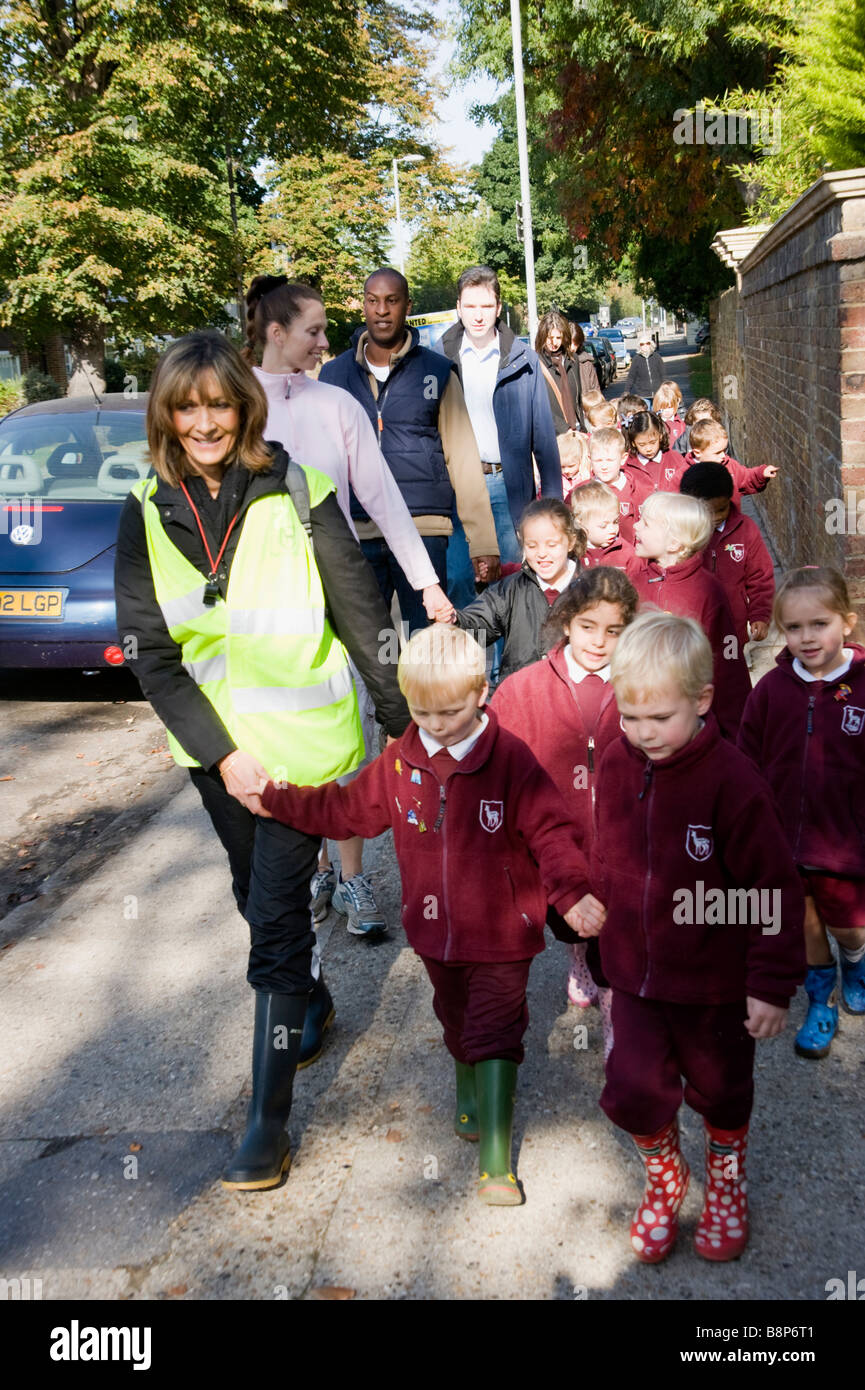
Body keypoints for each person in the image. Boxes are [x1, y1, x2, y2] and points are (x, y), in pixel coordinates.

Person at [114, 330, 411, 1191]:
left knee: (276, 920)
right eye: (187, 405)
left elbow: (361, 618)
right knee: (256, 901)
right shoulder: (143, 507)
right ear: (166, 414)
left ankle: (265, 1126)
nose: (204, 421)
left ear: (243, 405)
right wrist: (223, 755)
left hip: (305, 758)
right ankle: (311, 1002)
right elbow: (150, 653)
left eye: (219, 403)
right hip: (215, 757)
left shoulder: (299, 489)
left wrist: (413, 732)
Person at [246, 624, 604, 1205]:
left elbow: (552, 831)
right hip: (434, 933)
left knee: (495, 1030)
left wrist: (571, 891)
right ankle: (468, 1097)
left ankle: (495, 1160)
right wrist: (278, 798)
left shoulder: (510, 758)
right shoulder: (397, 763)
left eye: (451, 710)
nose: (436, 724)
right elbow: (343, 811)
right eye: (422, 711)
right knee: (456, 1019)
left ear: (482, 691)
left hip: (503, 931)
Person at [244, 273, 455, 940]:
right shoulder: (235, 403)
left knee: (361, 723)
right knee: (289, 736)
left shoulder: (337, 404)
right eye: (312, 330)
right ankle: (309, 868)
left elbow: (385, 499)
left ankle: (353, 871)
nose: (326, 341)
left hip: (339, 581)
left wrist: (425, 583)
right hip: (265, 595)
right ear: (275, 332)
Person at [591, 612, 805, 1262]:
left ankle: (725, 1182)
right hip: (634, 977)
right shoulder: (618, 764)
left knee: (721, 1090)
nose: (642, 733)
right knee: (629, 1087)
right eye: (630, 717)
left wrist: (768, 985)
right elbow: (607, 856)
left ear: (702, 701)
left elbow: (773, 887)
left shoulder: (734, 785)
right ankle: (664, 1180)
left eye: (660, 718)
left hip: (713, 986)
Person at [490, 568, 638, 1042]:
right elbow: (492, 755)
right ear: (567, 621)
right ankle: (578, 957)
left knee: (619, 944)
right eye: (588, 627)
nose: (599, 642)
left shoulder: (642, 684)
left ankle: (619, 1024)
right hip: (558, 847)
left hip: (624, 845)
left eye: (614, 631)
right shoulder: (523, 689)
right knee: (574, 927)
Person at [319, 267, 500, 633]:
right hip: (358, 531)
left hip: (422, 533)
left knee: (426, 640)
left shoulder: (435, 372)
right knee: (373, 645)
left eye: (391, 301)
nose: (382, 310)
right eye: (373, 301)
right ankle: (389, 694)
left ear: (407, 306)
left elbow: (463, 458)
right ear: (364, 307)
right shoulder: (334, 377)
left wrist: (483, 541)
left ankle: (422, 694)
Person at [738, 567, 865, 1060]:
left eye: (820, 624)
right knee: (805, 922)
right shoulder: (771, 689)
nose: (806, 638)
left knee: (850, 924)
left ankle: (855, 961)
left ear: (846, 623)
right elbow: (746, 759)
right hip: (783, 840)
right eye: (793, 628)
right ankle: (821, 998)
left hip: (845, 841)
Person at [631, 491, 752, 739]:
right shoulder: (634, 583)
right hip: (640, 710)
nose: (635, 525)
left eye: (645, 523)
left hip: (688, 718)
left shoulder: (706, 589)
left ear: (674, 543)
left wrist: (734, 731)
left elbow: (727, 662)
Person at [444, 498, 586, 686]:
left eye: (551, 545)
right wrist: (453, 619)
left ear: (570, 542)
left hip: (572, 699)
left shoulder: (591, 591)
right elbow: (478, 624)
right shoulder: (510, 589)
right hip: (519, 695)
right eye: (532, 546)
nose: (542, 553)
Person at [679, 462, 775, 652]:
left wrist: (760, 615)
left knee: (732, 675)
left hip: (733, 627)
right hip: (690, 629)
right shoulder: (680, 533)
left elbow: (760, 577)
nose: (715, 517)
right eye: (707, 511)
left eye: (721, 509)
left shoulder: (746, 530)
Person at [683, 417, 779, 508]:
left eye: (724, 450)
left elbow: (746, 477)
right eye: (717, 453)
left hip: (731, 523)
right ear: (697, 453)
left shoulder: (730, 465)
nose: (723, 456)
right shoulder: (683, 474)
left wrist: (761, 474)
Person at [570, 480, 640, 576]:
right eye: (603, 526)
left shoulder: (628, 555)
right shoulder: (572, 553)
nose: (612, 530)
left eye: (615, 522)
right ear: (580, 523)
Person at [588, 427, 645, 545]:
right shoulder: (583, 493)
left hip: (631, 555)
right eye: (598, 461)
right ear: (590, 460)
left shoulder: (637, 488)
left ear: (623, 459)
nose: (604, 466)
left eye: (609, 460)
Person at [535, 311, 584, 435]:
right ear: (542, 336)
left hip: (577, 430)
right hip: (553, 434)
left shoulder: (572, 359)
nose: (554, 342)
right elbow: (539, 405)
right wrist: (564, 428)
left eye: (558, 338)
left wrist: (582, 427)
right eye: (550, 337)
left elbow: (578, 399)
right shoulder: (535, 363)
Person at [623, 410, 688, 494]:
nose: (648, 449)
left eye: (653, 442)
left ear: (660, 436)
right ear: (633, 443)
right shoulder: (628, 464)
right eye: (642, 444)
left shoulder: (675, 459)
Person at [623, 329, 666, 401]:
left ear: (651, 344)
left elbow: (663, 374)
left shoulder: (656, 357)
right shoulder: (636, 359)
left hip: (658, 393)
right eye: (642, 344)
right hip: (643, 395)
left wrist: (666, 387)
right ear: (639, 346)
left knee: (657, 412)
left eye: (647, 343)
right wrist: (626, 391)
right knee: (645, 412)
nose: (645, 346)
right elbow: (631, 377)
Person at [569, 322, 601, 398]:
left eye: (576, 343)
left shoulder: (587, 363)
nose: (572, 348)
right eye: (570, 343)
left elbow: (596, 391)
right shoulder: (559, 363)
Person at [559, 430, 591, 505]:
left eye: (571, 466)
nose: (566, 470)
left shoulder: (586, 476)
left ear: (581, 459)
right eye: (562, 466)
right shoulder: (556, 478)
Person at [652, 381, 686, 445]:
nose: (667, 411)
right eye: (663, 408)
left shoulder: (681, 422)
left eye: (670, 407)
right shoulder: (654, 422)